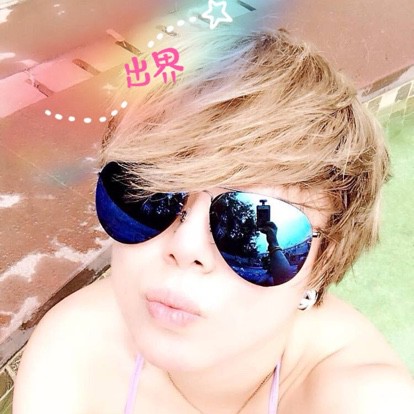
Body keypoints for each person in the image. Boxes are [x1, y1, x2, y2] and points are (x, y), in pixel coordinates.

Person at [13, 26, 414, 414]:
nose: (185, 247)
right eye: (150, 196)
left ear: (323, 264)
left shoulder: (367, 399)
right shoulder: (74, 348)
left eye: (251, 229)